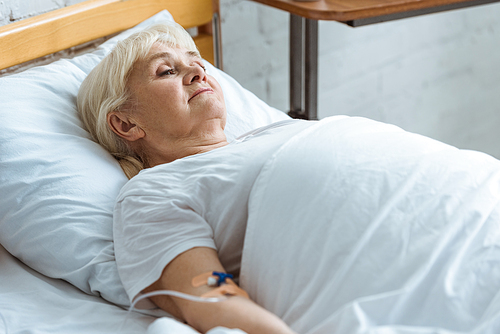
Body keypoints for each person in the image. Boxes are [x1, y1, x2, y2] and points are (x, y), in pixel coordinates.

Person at [78, 22, 302, 334]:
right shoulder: (154, 193)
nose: (199, 73)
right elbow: (213, 294)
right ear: (126, 124)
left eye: (197, 62)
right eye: (166, 71)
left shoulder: (272, 132)